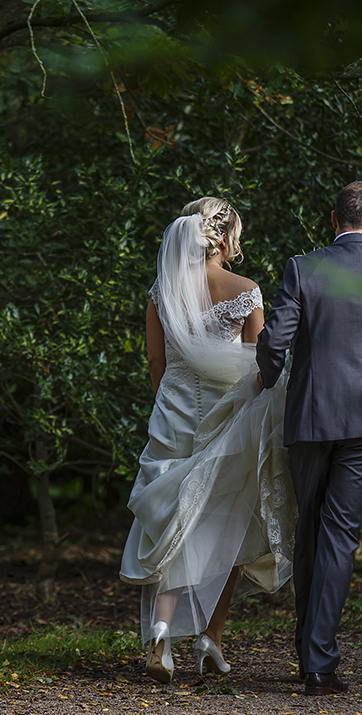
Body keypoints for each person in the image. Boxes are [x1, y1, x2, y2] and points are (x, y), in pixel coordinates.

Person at [120, 198, 294, 684]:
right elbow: (263, 369)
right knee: (231, 520)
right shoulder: (246, 291)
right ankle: (208, 636)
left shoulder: (162, 293)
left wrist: (168, 404)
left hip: (173, 410)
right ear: (225, 237)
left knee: (174, 515)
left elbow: (157, 364)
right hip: (229, 415)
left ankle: (164, 631)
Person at [256, 181, 362, 695]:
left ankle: (312, 654)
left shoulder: (305, 267)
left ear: (332, 219)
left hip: (313, 414)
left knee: (310, 527)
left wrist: (265, 375)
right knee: (339, 532)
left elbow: (275, 342)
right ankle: (318, 662)